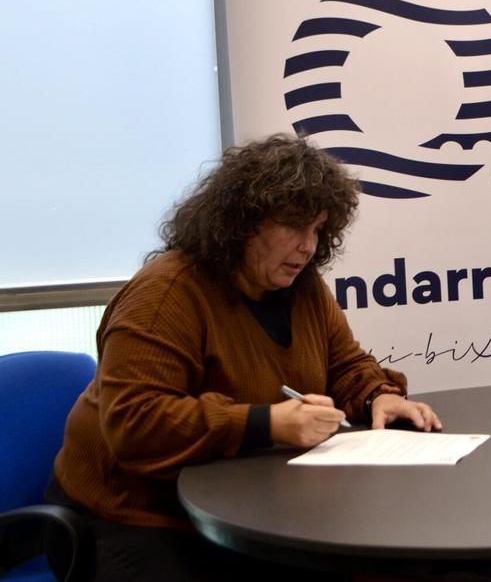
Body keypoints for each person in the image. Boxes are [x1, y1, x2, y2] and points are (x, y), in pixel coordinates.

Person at [47, 134, 442, 581]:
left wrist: (376, 396)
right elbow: (135, 424)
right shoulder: (166, 295)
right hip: (127, 516)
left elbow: (344, 363)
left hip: (241, 503)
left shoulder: (301, 286)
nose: (309, 247)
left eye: (317, 229)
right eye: (295, 227)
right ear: (243, 222)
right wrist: (266, 423)